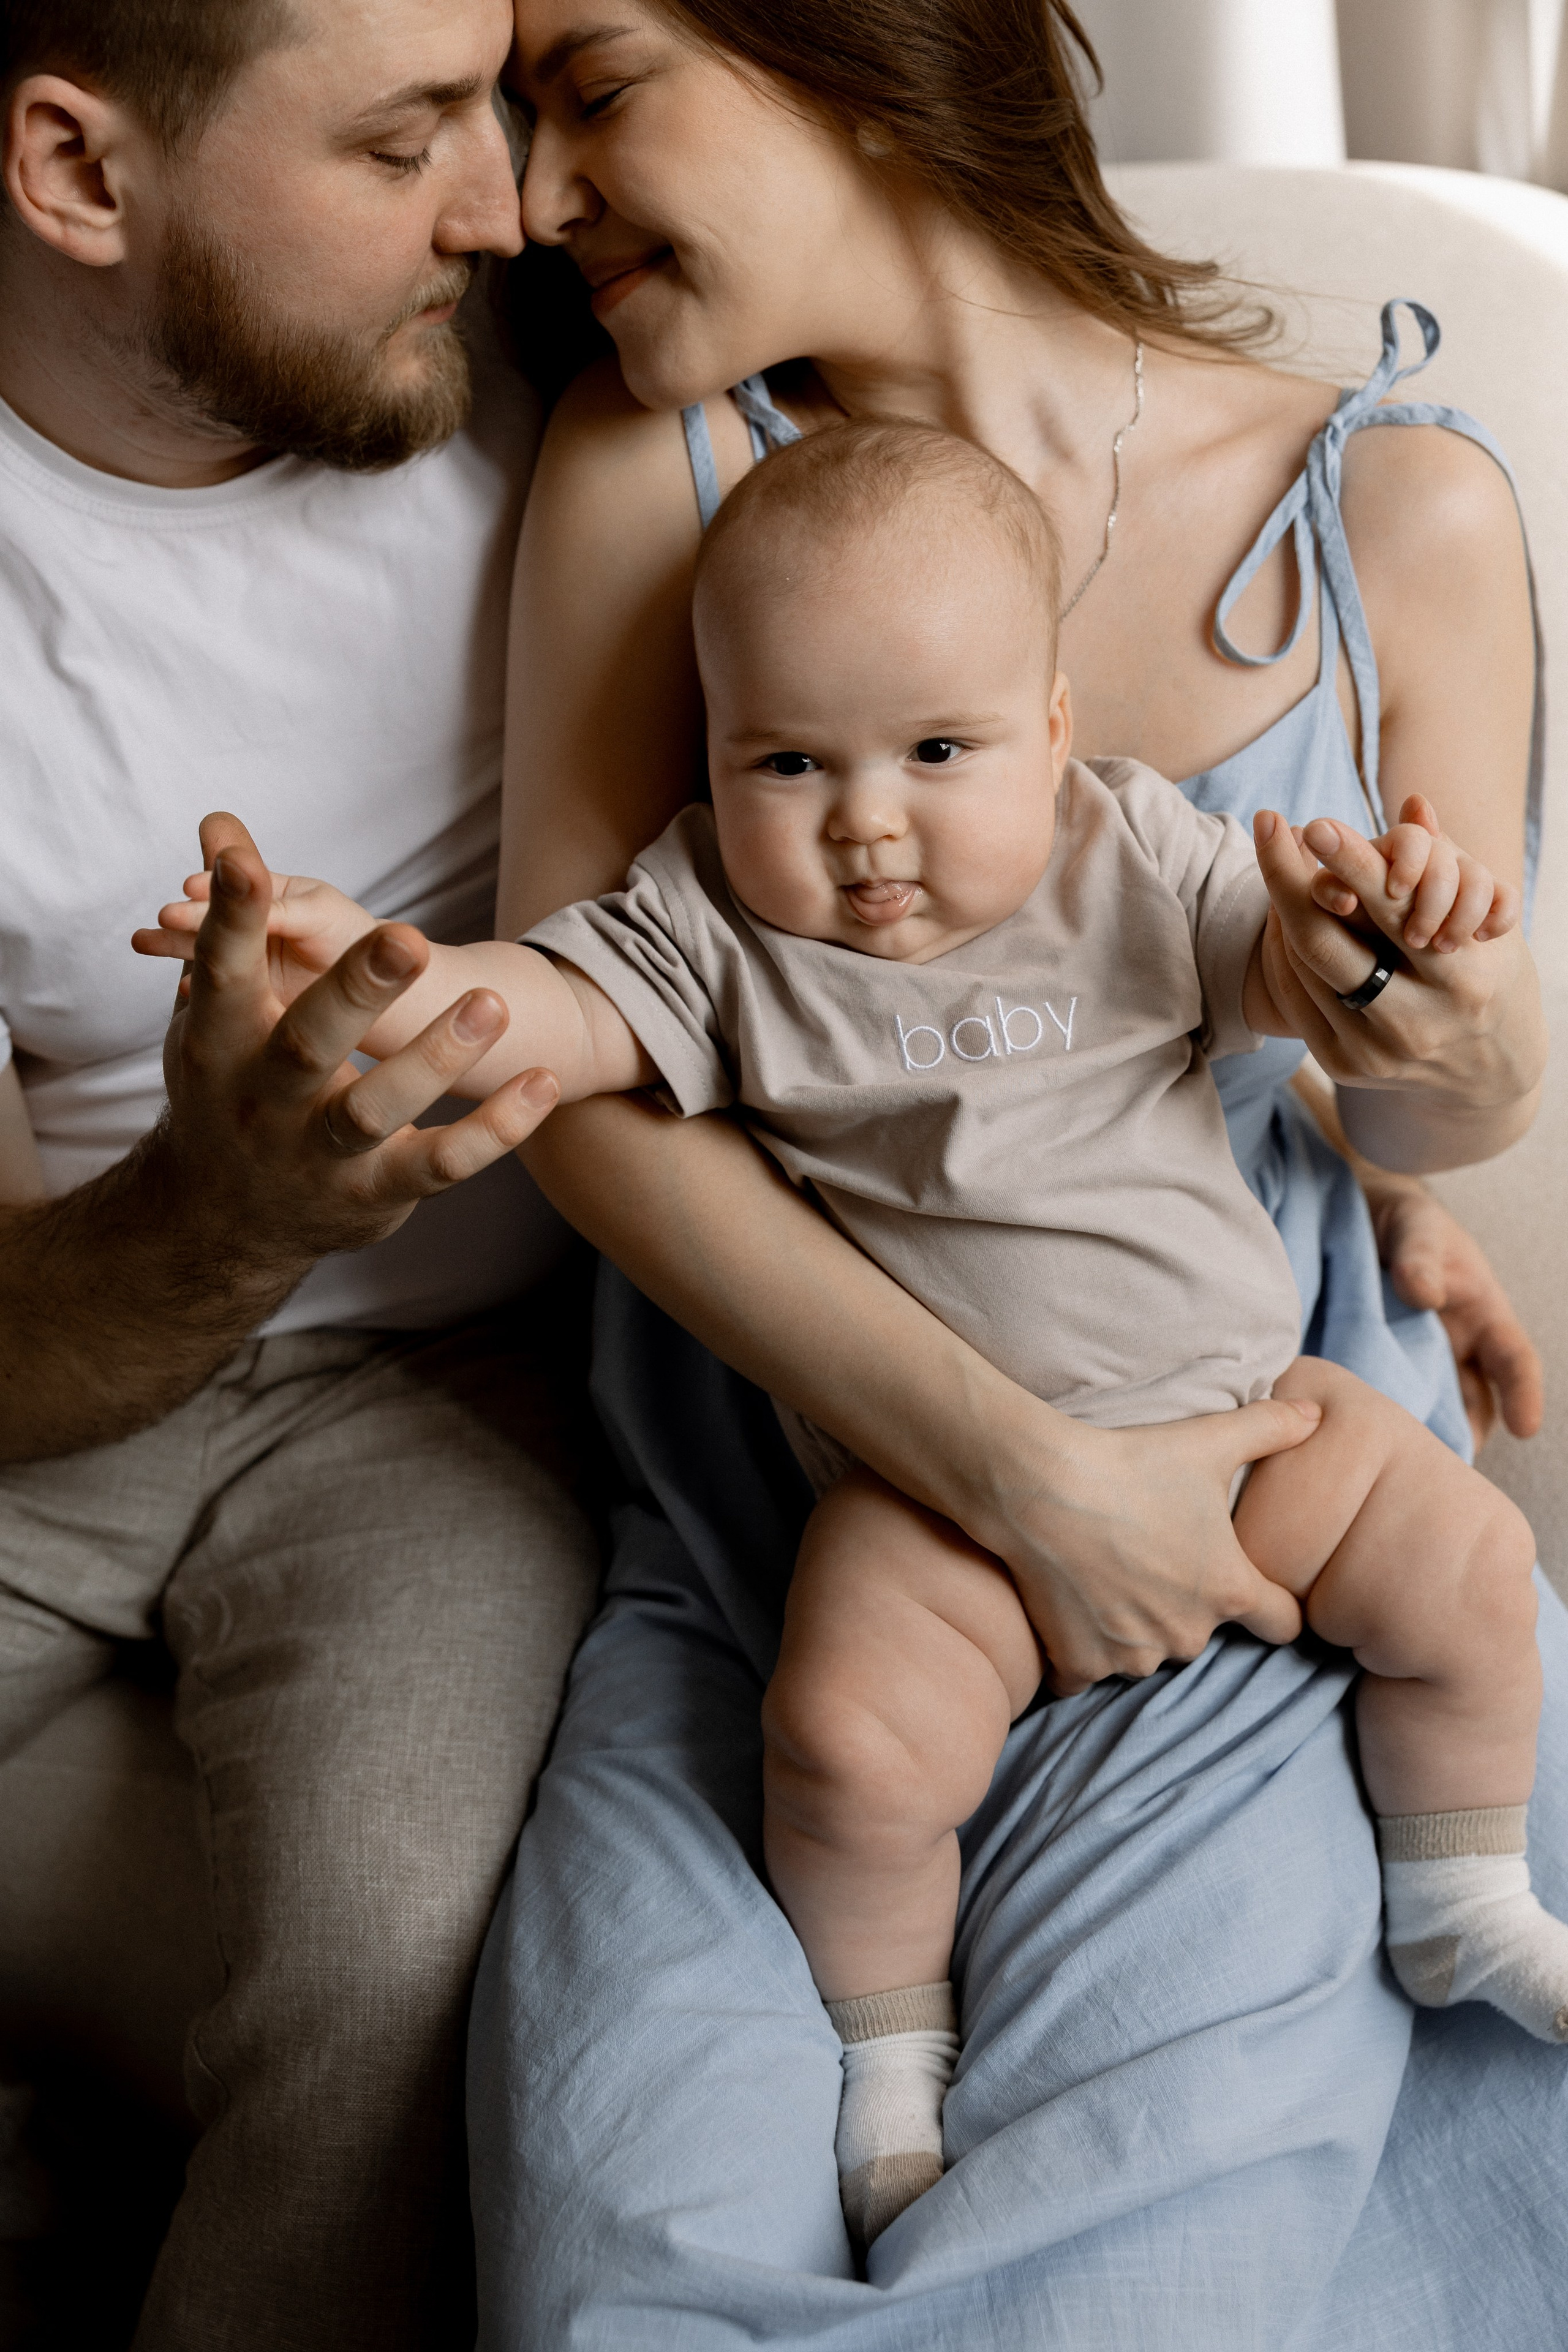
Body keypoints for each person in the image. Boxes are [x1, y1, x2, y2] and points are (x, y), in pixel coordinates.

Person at [143, 415, 1560, 2261]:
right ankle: (891, 2057)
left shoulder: (1132, 858)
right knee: (839, 1745)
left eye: (939, 753)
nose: (865, 823)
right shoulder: (718, 932)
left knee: (1467, 1563)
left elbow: (1312, 981)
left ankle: (1459, 1889)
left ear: (1054, 731)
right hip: (930, 1498)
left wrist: (1389, 930)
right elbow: (548, 1018)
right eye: (786, 760)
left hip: (1243, 1428)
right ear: (717, 757)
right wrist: (389, 968)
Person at [457, 0, 1561, 2340]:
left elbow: (1426, 1120)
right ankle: (889, 2040)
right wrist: (1018, 1470)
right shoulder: (653, 468)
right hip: (803, 1496)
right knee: (621, 2237)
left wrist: (1443, 1045)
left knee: (1130, 2262)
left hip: (1252, 1475)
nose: (533, 201)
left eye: (596, 87)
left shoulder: (1401, 512)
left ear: (850, 42)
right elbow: (579, 1059)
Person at [0, 2, 600, 2345]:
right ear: (76, 169)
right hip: (66, 1369)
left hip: (446, 1409)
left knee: (403, 1976)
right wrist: (231, 1204)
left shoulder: (574, 342)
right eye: (402, 140)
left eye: (503, 94)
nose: (509, 200)